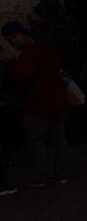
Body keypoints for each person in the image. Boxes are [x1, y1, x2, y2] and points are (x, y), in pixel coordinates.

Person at [0, 21, 70, 187]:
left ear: (19, 36)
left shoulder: (31, 52)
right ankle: (59, 173)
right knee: (57, 139)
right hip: (56, 101)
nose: (11, 44)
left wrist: (11, 61)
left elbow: (22, 74)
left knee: (37, 141)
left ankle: (43, 176)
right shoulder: (44, 47)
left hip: (40, 105)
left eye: (10, 40)